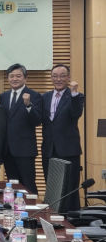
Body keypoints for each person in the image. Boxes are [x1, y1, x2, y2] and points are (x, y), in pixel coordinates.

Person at [40, 64, 85, 211]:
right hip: (49, 149)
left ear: (68, 77)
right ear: (51, 78)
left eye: (62, 76)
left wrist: (74, 93)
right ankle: (53, 216)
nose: (58, 79)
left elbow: (76, 113)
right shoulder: (45, 97)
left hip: (68, 149)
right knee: (52, 187)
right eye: (55, 76)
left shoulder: (76, 96)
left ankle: (71, 218)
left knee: (69, 188)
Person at [0, 63, 42, 194]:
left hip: (25, 150)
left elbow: (37, 121)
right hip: (8, 151)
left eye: (18, 76)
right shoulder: (4, 96)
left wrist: (28, 105)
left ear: (25, 78)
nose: (14, 79)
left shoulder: (34, 95)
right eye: (11, 76)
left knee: (28, 185)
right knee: (13, 186)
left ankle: (33, 207)